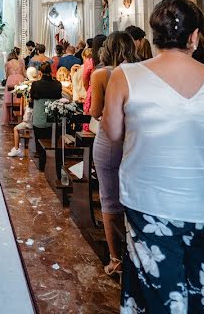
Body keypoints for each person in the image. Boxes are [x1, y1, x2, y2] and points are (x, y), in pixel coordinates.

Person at [103, 0, 204, 312]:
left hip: (150, 200)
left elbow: (113, 133)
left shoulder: (125, 75)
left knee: (157, 291)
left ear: (153, 36)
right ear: (193, 37)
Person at [88, 31, 139, 276]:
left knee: (109, 198)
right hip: (135, 140)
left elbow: (96, 111)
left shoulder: (101, 74)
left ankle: (115, 258)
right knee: (134, 195)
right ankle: (135, 250)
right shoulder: (141, 72)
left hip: (109, 140)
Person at [29, 62, 63, 171]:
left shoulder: (36, 85)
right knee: (52, 139)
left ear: (40, 72)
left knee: (39, 140)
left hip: (39, 117)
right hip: (53, 118)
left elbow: (31, 100)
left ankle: (42, 163)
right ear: (51, 71)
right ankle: (54, 164)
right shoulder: (58, 84)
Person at [7, 67, 38, 157]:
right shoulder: (37, 84)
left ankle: (16, 148)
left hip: (31, 117)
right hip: (38, 116)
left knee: (16, 128)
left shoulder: (28, 86)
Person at [2, 48, 26, 124]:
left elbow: (6, 75)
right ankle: (20, 115)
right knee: (20, 97)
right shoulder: (21, 63)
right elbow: (24, 74)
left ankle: (10, 116)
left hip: (11, 79)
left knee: (9, 97)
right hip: (20, 79)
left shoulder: (8, 63)